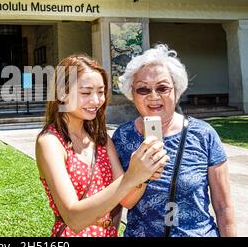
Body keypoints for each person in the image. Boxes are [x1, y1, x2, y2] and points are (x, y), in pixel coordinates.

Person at [36, 54, 170, 237]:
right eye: (85, 92)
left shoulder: (101, 139)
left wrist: (143, 174)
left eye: (100, 91)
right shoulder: (50, 142)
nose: (96, 100)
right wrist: (131, 176)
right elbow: (74, 219)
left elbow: (127, 200)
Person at [112, 44, 236, 237]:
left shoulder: (203, 134)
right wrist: (142, 174)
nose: (154, 96)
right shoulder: (122, 137)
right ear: (132, 94)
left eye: (162, 88)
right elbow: (118, 201)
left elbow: (223, 206)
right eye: (143, 89)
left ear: (176, 91)